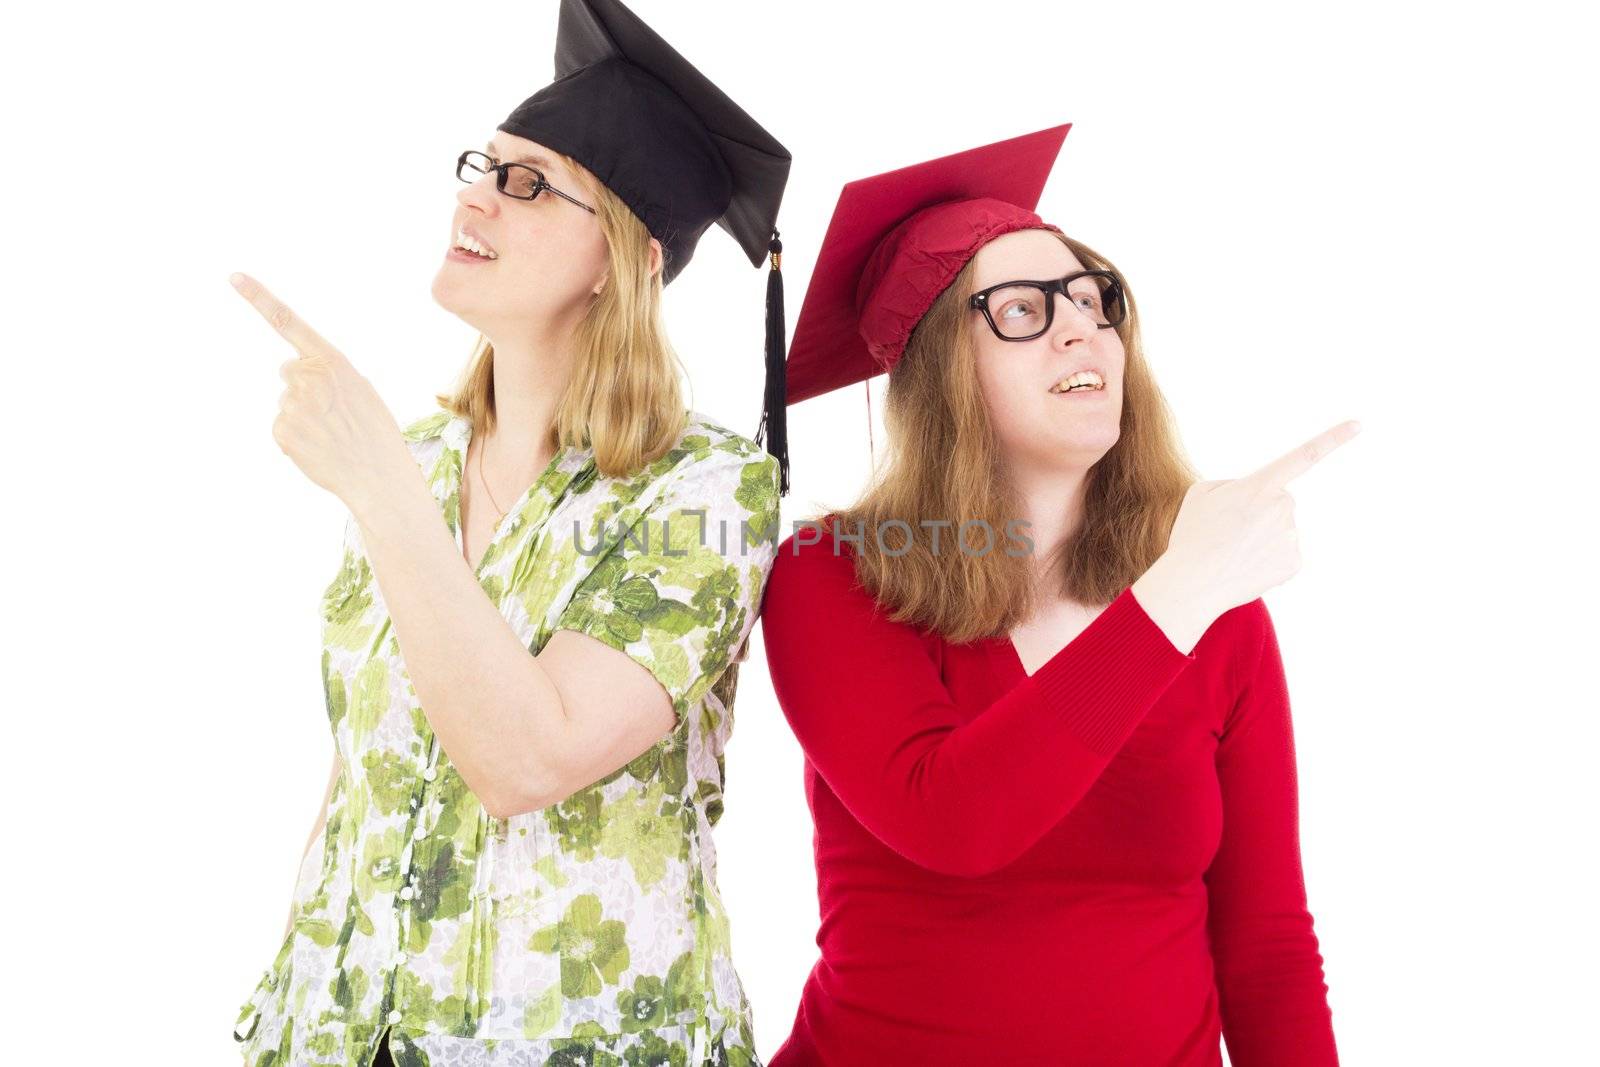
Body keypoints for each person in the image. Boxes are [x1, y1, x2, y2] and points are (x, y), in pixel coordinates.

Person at [226, 1, 791, 1063]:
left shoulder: (704, 490)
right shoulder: (418, 458)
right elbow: (366, 770)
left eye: (528, 181)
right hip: (340, 1030)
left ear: (618, 256)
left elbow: (527, 759)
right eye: (483, 165)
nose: (476, 193)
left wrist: (379, 493)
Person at [760, 125, 1357, 1065]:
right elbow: (952, 818)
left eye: (1093, 295)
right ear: (936, 369)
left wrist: (1187, 588)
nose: (1081, 324)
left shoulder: (1213, 597)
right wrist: (1174, 599)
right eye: (1022, 309)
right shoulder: (831, 576)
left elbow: (1267, 944)